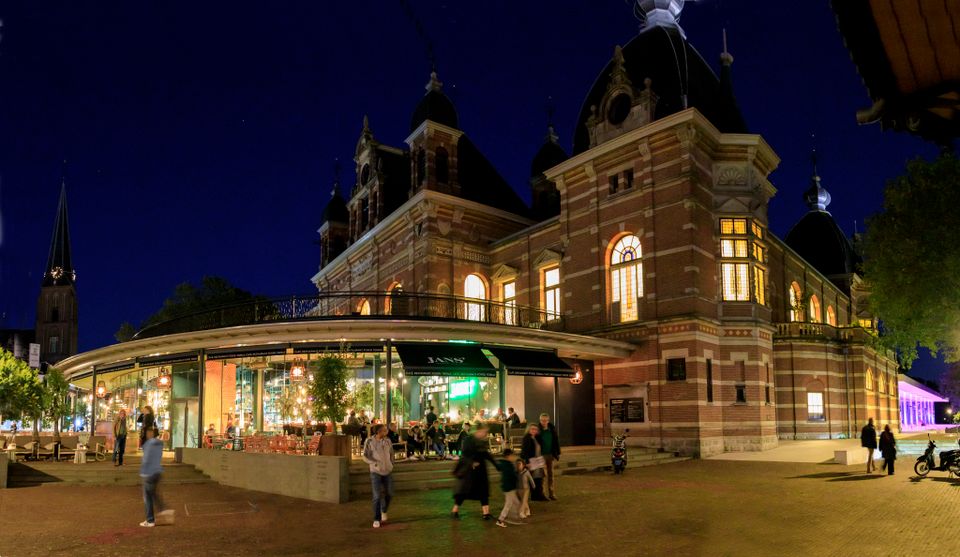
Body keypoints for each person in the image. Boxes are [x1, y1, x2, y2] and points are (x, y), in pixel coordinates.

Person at [451, 422, 496, 520]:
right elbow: (464, 454)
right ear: (478, 431)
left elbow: (486, 454)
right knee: (464, 491)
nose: (486, 434)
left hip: (481, 470)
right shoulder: (468, 440)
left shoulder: (481, 441)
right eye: (484, 431)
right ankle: (455, 510)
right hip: (469, 471)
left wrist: (496, 465)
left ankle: (486, 513)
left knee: (483, 491)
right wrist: (472, 462)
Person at [362, 423, 394, 528]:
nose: (386, 432)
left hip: (387, 471)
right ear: (379, 432)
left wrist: (391, 464)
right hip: (375, 472)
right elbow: (365, 456)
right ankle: (376, 518)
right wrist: (374, 463)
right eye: (384, 430)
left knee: (389, 493)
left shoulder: (388, 441)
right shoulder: (369, 441)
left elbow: (391, 453)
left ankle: (383, 510)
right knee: (377, 496)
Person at [139, 427, 173, 527]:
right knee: (153, 494)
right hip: (157, 472)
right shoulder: (159, 444)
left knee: (147, 497)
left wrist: (143, 471)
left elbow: (146, 459)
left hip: (149, 472)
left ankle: (150, 520)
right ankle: (164, 510)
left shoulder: (148, 444)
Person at [495, 448, 521, 527]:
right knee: (509, 504)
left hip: (508, 487)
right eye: (512, 455)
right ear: (508, 456)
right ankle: (501, 519)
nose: (514, 457)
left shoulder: (504, 464)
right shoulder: (508, 465)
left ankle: (514, 517)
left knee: (516, 503)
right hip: (509, 487)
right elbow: (511, 476)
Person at [520, 423, 547, 501]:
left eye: (535, 429)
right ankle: (535, 496)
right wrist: (527, 462)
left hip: (539, 460)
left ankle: (540, 494)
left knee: (539, 478)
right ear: (528, 430)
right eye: (532, 429)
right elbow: (524, 451)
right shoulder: (526, 439)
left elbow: (542, 447)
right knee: (533, 479)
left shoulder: (537, 438)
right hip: (531, 461)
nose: (534, 431)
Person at [538, 413, 561, 500]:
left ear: (548, 421)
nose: (543, 422)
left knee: (551, 475)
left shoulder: (552, 430)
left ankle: (551, 493)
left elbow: (556, 441)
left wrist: (557, 453)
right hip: (541, 455)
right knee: (543, 475)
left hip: (550, 455)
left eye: (545, 420)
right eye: (542, 420)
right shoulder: (538, 430)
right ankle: (542, 494)